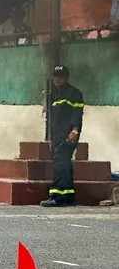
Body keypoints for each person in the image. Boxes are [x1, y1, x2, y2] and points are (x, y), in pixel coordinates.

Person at [41, 66, 84, 207]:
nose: (57, 79)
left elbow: (77, 113)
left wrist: (75, 131)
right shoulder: (53, 95)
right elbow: (51, 118)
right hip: (57, 134)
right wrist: (50, 137)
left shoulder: (75, 93)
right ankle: (68, 196)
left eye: (60, 76)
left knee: (59, 164)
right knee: (64, 165)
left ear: (66, 77)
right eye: (55, 76)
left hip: (68, 134)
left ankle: (56, 196)